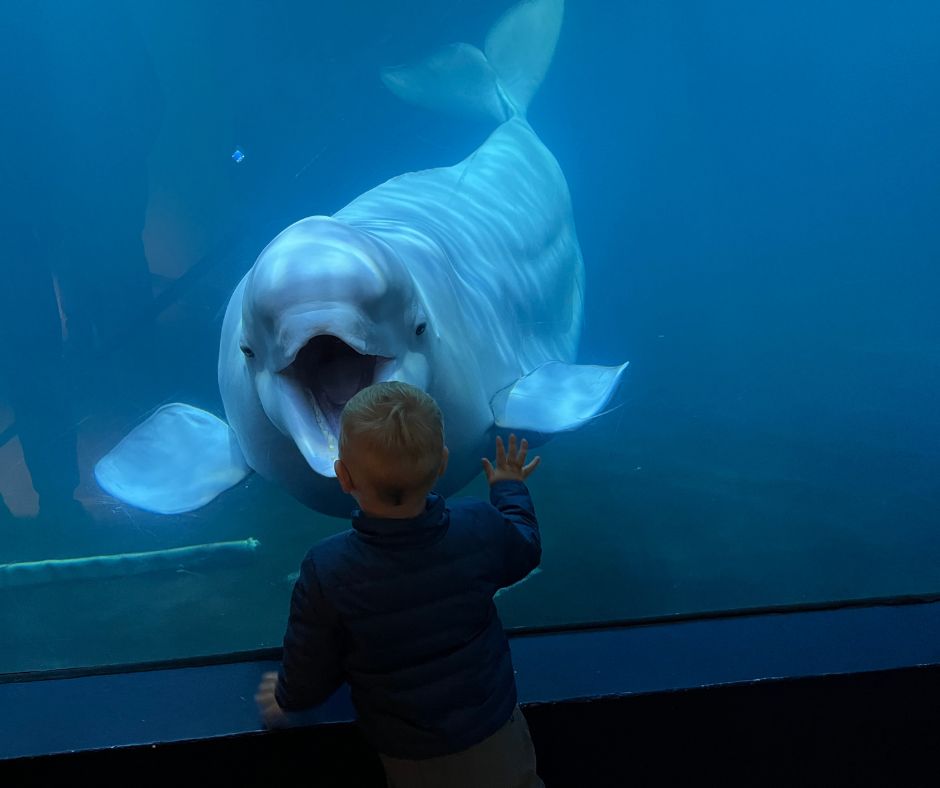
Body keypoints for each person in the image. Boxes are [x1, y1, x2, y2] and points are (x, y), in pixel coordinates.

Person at [255, 381, 544, 787]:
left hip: (410, 750)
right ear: (443, 462)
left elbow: (311, 655)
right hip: (495, 727)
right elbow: (524, 550)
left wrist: (287, 698)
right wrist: (508, 486)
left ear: (342, 475)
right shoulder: (478, 525)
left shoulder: (328, 567)